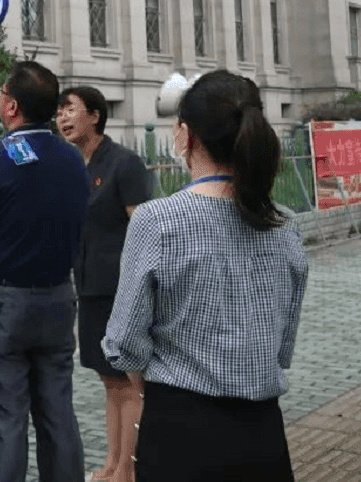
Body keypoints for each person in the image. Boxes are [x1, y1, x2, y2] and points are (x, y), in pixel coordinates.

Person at [103, 70, 308, 482]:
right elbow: (283, 348)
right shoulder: (284, 223)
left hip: (180, 431)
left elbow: (124, 347)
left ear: (185, 135)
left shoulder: (156, 221)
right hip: (264, 435)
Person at [0, 61, 89, 482]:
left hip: (3, 301)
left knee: (6, 418)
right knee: (58, 413)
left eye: (1, 94)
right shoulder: (72, 158)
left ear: (11, 106)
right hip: (58, 296)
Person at [56, 86, 151, 482]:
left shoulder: (124, 164)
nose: (62, 118)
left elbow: (144, 231)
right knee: (109, 380)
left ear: (94, 116)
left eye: (70, 109)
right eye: (58, 111)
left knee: (129, 381)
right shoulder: (73, 167)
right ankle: (112, 464)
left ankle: (127, 470)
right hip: (90, 288)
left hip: (121, 291)